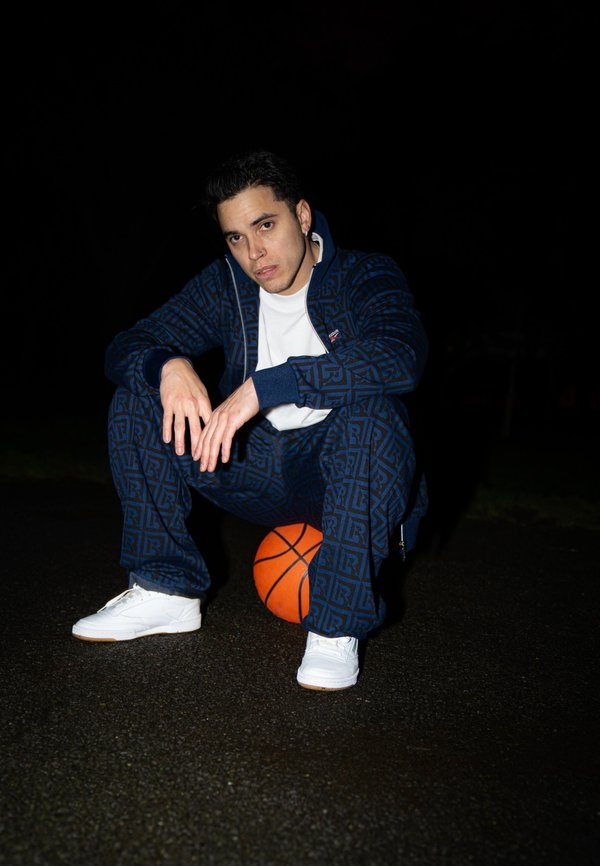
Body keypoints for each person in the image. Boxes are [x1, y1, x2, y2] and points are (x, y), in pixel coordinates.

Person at [72, 149, 429, 691]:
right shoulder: (227, 287)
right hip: (253, 465)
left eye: (265, 225)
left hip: (346, 475)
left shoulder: (363, 275)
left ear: (302, 215)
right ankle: (166, 589)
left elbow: (400, 356)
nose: (254, 252)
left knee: (375, 417)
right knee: (139, 396)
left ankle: (335, 625)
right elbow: (125, 345)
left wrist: (268, 386)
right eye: (236, 237)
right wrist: (167, 365)